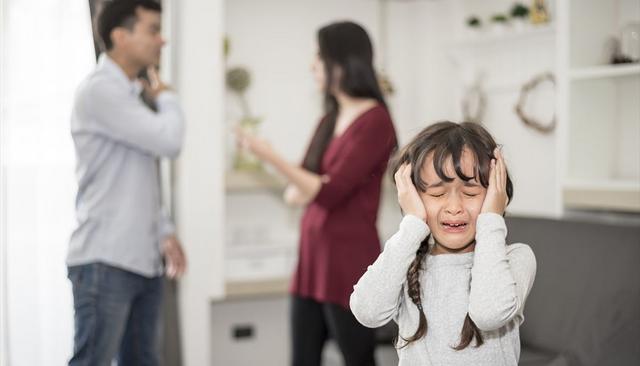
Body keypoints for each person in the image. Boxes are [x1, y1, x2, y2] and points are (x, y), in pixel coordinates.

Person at [237, 21, 397, 366]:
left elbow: (327, 193)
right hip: (312, 259)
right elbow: (299, 189)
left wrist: (268, 155)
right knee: (302, 359)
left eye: (318, 57)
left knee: (357, 358)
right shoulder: (329, 119)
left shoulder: (376, 122)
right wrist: (307, 185)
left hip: (347, 265)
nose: (313, 65)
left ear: (341, 62)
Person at [350, 121, 537, 365]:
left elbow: (488, 314)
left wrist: (491, 218)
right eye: (437, 194)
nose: (454, 208)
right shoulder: (405, 262)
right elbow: (367, 311)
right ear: (414, 197)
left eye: (470, 193)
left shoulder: (516, 258)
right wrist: (413, 224)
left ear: (496, 196)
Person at [66, 1, 186, 365]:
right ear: (120, 36)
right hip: (106, 260)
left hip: (141, 260)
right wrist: (168, 97)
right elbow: (170, 141)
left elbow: (136, 176)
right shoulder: (100, 91)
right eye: (152, 30)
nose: (161, 40)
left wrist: (164, 229)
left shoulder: (130, 96)